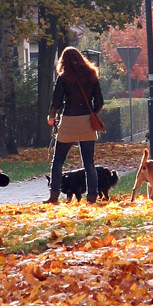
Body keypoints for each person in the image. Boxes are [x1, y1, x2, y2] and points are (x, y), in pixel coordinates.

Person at [45, 47, 105, 204]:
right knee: (88, 162)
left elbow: (56, 101)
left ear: (63, 61)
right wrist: (91, 112)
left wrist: (51, 116)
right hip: (86, 122)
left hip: (69, 121)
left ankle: (54, 196)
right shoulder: (92, 76)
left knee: (58, 160)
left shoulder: (64, 78)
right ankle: (92, 197)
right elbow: (99, 102)